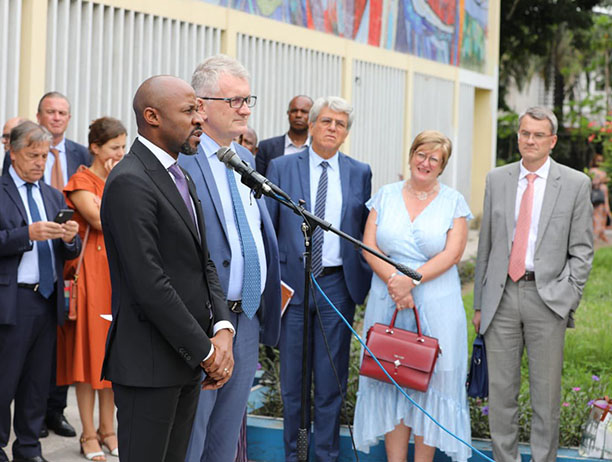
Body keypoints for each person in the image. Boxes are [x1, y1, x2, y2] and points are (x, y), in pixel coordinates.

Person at [100, 75, 234, 462]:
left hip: (187, 361)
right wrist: (206, 353)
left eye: (199, 109)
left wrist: (222, 330)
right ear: (152, 116)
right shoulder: (130, 181)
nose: (200, 119)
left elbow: (203, 261)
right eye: (190, 110)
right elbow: (150, 284)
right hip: (149, 367)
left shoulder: (181, 175)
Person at [473, 106, 594, 462]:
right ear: (518, 136)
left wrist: (567, 296)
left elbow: (583, 251)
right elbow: (487, 247)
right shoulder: (497, 179)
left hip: (548, 299)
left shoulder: (575, 184)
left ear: (552, 141)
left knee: (546, 396)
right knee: (501, 396)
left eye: (538, 135)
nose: (530, 140)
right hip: (502, 298)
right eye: (525, 133)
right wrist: (480, 304)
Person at [179, 54, 281, 462]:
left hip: (248, 318)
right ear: (201, 107)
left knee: (225, 439)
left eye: (248, 99)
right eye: (235, 100)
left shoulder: (244, 160)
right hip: (205, 321)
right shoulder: (181, 164)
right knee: (193, 436)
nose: (246, 109)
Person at [353, 130, 473, 462]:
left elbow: (452, 254)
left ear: (442, 166)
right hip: (386, 296)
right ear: (411, 155)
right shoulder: (385, 195)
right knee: (390, 379)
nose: (426, 162)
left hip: (436, 304)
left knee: (430, 384)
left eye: (434, 158)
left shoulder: (454, 201)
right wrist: (395, 280)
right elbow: (369, 245)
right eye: (421, 154)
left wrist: (411, 281)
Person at [266, 96, 372, 461]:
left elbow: (362, 230)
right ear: (310, 125)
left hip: (336, 286)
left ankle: (325, 455)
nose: (332, 128)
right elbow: (270, 226)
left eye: (340, 124)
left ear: (346, 133)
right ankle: (296, 456)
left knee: (330, 382)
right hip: (293, 286)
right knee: (294, 384)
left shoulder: (360, 172)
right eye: (326, 121)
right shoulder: (281, 167)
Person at [0, 121, 81, 462]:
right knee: (4, 381)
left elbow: (71, 252)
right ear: (12, 152)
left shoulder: (51, 194)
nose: (39, 162)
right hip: (13, 298)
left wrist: (70, 238)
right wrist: (26, 234)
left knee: (37, 382)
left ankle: (29, 449)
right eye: (32, 155)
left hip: (47, 300)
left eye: (44, 156)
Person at [56, 117, 127, 460]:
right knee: (88, 361)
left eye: (124, 147)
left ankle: (108, 430)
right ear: (96, 148)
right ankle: (88, 433)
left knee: (112, 359)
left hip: (117, 277)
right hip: (90, 278)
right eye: (115, 147)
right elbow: (100, 219)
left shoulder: (118, 179)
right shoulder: (82, 180)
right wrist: (117, 182)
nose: (120, 153)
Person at [255, 95, 313, 174]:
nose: (298, 115)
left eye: (304, 112)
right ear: (288, 114)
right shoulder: (266, 147)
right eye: (294, 111)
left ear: (312, 116)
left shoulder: (319, 148)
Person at [589, 153, 611, 242]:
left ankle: (602, 233)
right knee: (597, 215)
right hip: (597, 194)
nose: (599, 162)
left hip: (604, 194)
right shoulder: (592, 171)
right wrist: (601, 180)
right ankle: (596, 235)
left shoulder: (603, 170)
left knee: (605, 213)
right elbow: (592, 183)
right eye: (598, 160)